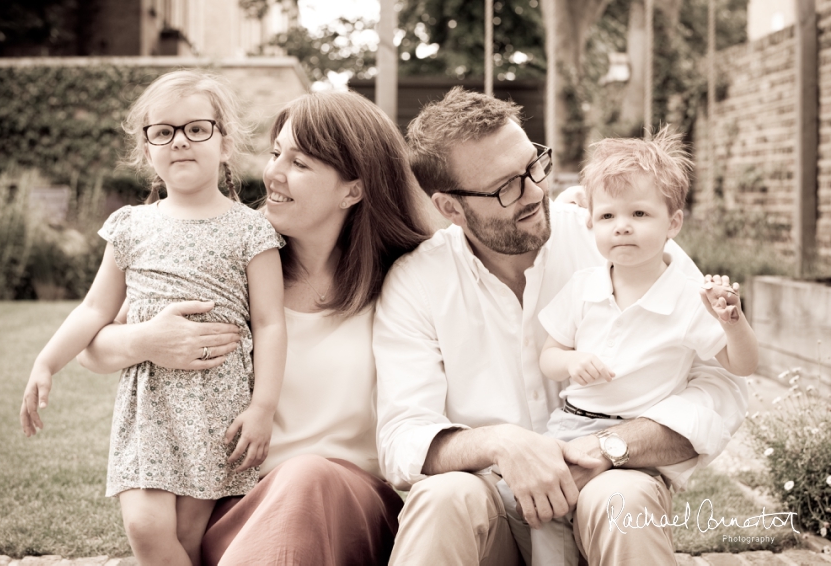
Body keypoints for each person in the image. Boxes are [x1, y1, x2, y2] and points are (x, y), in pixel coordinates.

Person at [374, 86, 749, 566]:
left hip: (608, 480)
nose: (534, 192)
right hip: (490, 500)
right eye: (505, 187)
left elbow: (722, 386)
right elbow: (402, 436)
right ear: (450, 208)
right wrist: (502, 444)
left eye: (534, 166)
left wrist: (611, 446)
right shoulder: (417, 281)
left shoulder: (618, 237)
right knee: (441, 499)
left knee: (623, 499)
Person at [77, 89, 432, 565]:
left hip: (355, 510)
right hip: (241, 506)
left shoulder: (405, 282)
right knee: (292, 485)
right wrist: (145, 340)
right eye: (274, 153)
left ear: (354, 188)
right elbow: (91, 348)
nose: (273, 174)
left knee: (309, 476)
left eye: (300, 163)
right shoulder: (230, 256)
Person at [20, 70, 288, 565]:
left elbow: (270, 324)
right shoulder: (131, 225)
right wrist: (45, 362)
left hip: (217, 407)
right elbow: (95, 309)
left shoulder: (252, 230)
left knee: (187, 541)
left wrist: (263, 408)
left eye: (197, 129)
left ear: (225, 143)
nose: (179, 141)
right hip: (148, 404)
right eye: (163, 131)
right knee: (145, 529)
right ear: (147, 150)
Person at [495, 128, 759, 565]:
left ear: (672, 223)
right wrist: (572, 360)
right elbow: (550, 355)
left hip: (637, 441)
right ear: (590, 224)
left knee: (620, 508)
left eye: (639, 213)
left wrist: (733, 322)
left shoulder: (689, 296)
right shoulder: (584, 288)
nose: (622, 226)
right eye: (607, 217)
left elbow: (743, 366)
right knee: (536, 509)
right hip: (570, 426)